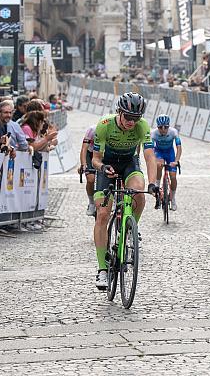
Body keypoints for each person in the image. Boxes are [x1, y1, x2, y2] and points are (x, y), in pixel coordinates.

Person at [91, 93, 158, 290]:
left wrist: (153, 183)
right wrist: (103, 168)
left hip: (129, 163)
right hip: (107, 166)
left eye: (135, 118)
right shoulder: (104, 125)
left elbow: (149, 156)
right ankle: (102, 270)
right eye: (128, 117)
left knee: (139, 192)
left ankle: (128, 229)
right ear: (119, 112)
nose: (131, 122)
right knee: (103, 214)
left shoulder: (142, 126)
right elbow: (95, 158)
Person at [151, 114, 182, 211]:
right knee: (159, 165)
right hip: (158, 152)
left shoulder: (173, 132)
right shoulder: (154, 133)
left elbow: (179, 148)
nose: (163, 129)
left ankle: (172, 199)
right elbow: (151, 150)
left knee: (173, 176)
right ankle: (158, 186)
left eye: (166, 127)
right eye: (160, 127)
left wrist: (176, 161)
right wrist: (155, 160)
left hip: (170, 153)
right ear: (157, 127)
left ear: (169, 126)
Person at [78, 124, 97, 216]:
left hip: (104, 154)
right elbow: (84, 149)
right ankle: (91, 203)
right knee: (90, 179)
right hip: (90, 153)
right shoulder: (92, 130)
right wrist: (83, 164)